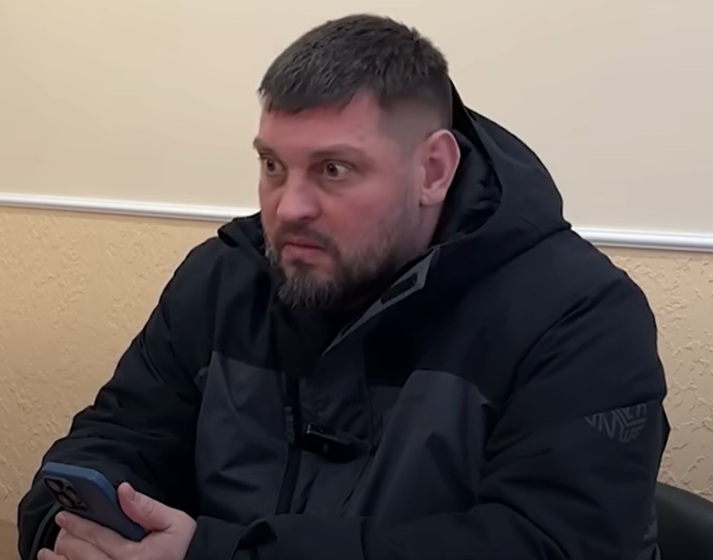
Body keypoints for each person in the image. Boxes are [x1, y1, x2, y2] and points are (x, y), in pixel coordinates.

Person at [18, 13, 669, 560]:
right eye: (273, 165)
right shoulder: (222, 276)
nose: (288, 206)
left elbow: (554, 544)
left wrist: (215, 554)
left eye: (333, 169)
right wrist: (72, 529)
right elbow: (117, 436)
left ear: (433, 170)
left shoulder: (581, 315)